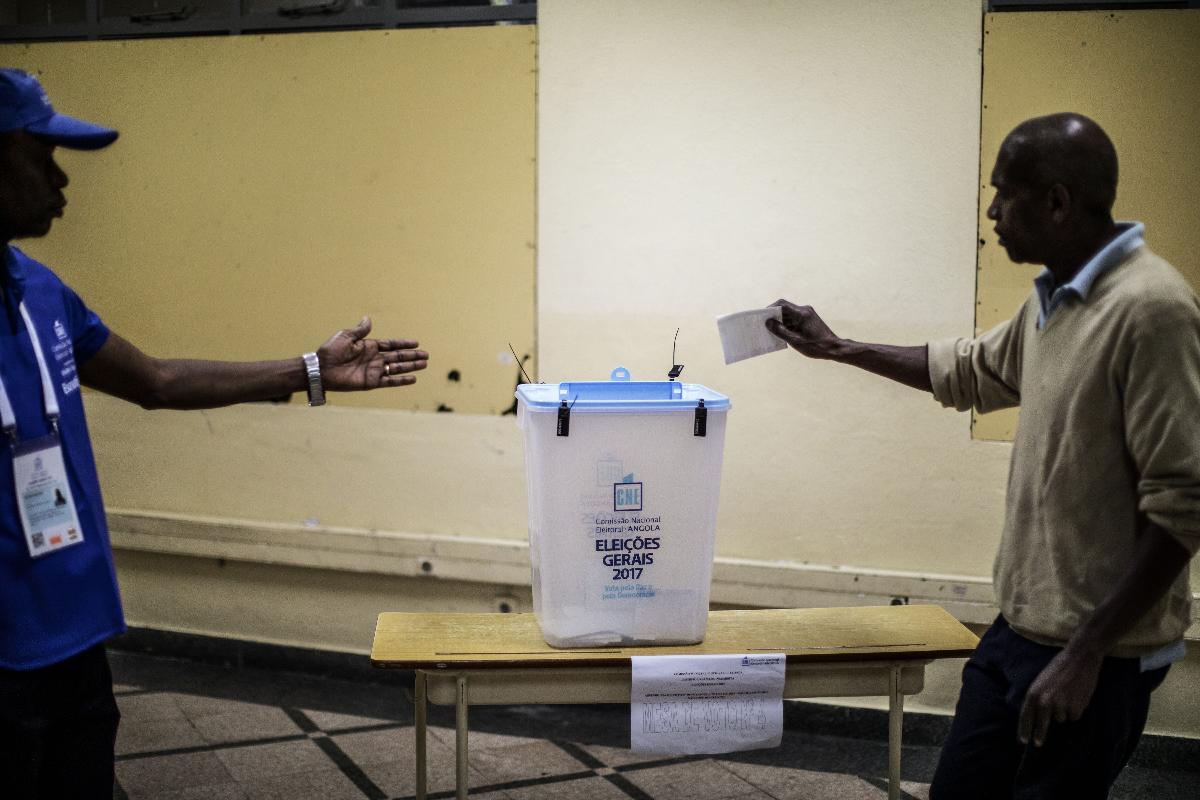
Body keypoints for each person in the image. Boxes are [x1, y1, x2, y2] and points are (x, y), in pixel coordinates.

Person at [0, 68, 429, 799]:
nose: (60, 181)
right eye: (41, 156)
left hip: (75, 636)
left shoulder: (42, 290)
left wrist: (309, 372)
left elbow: (158, 381)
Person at [767, 112, 1198, 799]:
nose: (992, 213)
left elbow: (1183, 506)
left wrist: (1087, 653)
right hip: (1019, 633)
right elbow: (968, 370)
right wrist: (840, 348)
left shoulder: (1152, 311)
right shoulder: (1054, 302)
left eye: (1004, 194)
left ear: (1056, 202)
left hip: (1096, 654)